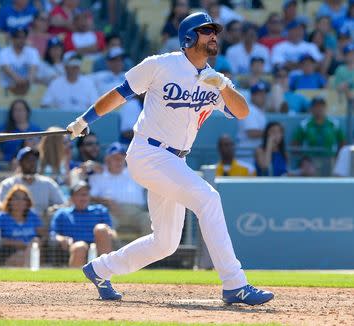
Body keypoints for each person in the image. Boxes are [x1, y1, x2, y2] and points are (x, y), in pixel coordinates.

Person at [65, 11, 274, 305]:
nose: (214, 35)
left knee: (165, 242)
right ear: (188, 37)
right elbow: (120, 93)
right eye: (206, 30)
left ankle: (100, 268)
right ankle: (234, 283)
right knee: (208, 199)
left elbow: (242, 113)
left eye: (215, 30)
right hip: (148, 152)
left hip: (175, 160)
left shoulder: (215, 79)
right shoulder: (160, 65)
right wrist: (85, 119)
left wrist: (223, 85)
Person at [89, 142, 151, 241]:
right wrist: (107, 202)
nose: (119, 161)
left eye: (122, 158)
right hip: (111, 213)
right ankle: (117, 256)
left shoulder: (135, 172)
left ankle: (148, 256)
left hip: (136, 213)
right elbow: (89, 197)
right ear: (107, 159)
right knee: (104, 225)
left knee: (149, 220)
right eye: (115, 158)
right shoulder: (98, 176)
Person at [50, 180, 116, 267]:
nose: (83, 198)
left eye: (85, 195)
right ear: (72, 197)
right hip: (74, 248)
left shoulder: (100, 210)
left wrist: (109, 234)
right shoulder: (62, 213)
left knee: (101, 229)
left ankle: (108, 271)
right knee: (80, 247)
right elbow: (53, 234)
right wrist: (61, 238)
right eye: (79, 195)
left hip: (98, 248)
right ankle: (75, 279)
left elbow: (112, 232)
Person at [0, 147, 66, 220]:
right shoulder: (8, 184)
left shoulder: (47, 183)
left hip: (42, 227)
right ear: (20, 163)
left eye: (34, 160)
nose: (32, 163)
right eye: (28, 160)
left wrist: (53, 209)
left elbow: (62, 204)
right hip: (14, 226)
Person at [0, 184, 45, 266]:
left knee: (35, 242)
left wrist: (33, 245)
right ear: (10, 200)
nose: (20, 201)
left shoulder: (33, 216)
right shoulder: (1, 217)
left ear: (27, 202)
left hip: (33, 251)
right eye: (16, 198)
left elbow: (43, 235)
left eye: (24, 199)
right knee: (20, 256)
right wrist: (18, 243)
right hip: (8, 252)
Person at [0, 26, 40, 96]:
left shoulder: (33, 52)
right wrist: (20, 81)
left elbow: (33, 70)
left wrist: (27, 81)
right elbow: (7, 70)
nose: (21, 40)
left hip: (27, 90)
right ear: (12, 38)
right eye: (18, 37)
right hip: (7, 90)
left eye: (24, 37)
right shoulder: (3, 52)